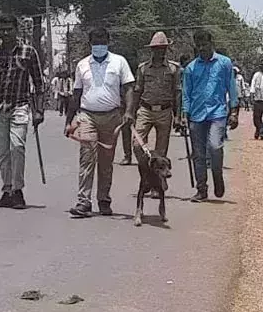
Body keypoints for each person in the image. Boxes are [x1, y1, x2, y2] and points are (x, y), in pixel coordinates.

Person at [64, 27, 136, 218]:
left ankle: (104, 199)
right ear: (90, 43)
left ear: (108, 42)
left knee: (106, 161)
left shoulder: (119, 62)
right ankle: (83, 202)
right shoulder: (82, 65)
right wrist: (69, 121)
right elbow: (77, 93)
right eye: (95, 42)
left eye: (102, 41)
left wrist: (129, 111)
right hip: (87, 116)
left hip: (112, 117)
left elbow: (129, 88)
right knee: (87, 158)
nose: (99, 45)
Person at [0, 13, 45, 210]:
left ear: (16, 30)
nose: (6, 33)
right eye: (2, 30)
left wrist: (39, 110)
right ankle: (7, 190)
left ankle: (18, 190)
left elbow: (39, 83)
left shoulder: (28, 52)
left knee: (17, 147)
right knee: (3, 152)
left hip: (20, 106)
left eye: (9, 29)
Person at [182, 29, 239, 203]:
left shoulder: (224, 63)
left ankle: (217, 174)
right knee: (198, 154)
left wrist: (234, 111)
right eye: (199, 45)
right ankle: (201, 189)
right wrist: (184, 114)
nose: (202, 48)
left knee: (215, 146)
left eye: (205, 44)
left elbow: (231, 88)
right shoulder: (191, 68)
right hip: (196, 114)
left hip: (217, 113)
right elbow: (186, 94)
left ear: (211, 43)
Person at [132, 31, 180, 158]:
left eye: (163, 48)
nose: (160, 51)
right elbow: (137, 90)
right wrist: (131, 112)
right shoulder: (143, 68)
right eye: (157, 48)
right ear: (152, 49)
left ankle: (157, 169)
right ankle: (146, 167)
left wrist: (178, 116)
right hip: (145, 110)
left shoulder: (173, 68)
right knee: (137, 145)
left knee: (161, 152)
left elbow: (177, 92)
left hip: (165, 111)